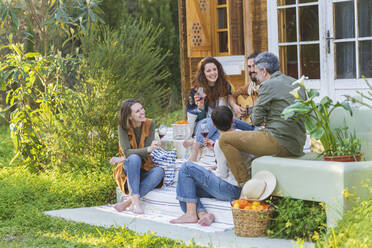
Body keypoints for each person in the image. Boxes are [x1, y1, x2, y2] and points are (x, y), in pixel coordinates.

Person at [219, 52, 307, 187]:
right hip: (298, 143)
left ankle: (244, 185)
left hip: (279, 141)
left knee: (225, 139)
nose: (257, 77)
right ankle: (259, 185)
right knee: (256, 161)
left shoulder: (267, 85)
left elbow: (256, 120)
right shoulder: (295, 83)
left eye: (257, 72)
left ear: (264, 71)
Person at [170, 106, 243, 226]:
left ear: (213, 125)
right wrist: (216, 156)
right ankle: (203, 214)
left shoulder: (221, 143)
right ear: (233, 121)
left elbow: (222, 174)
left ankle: (191, 214)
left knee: (186, 167)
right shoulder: (241, 135)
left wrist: (212, 171)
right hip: (239, 188)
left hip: (228, 189)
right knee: (185, 186)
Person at [185, 57, 254, 161]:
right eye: (208, 70)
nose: (212, 73)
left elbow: (231, 98)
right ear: (203, 73)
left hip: (221, 123)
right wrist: (201, 106)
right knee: (211, 120)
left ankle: (255, 130)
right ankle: (196, 146)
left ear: (218, 70)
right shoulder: (196, 90)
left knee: (230, 127)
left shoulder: (225, 86)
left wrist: (235, 107)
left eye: (214, 69)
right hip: (203, 125)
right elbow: (197, 118)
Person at [110, 98, 164, 214]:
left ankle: (128, 203)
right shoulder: (122, 128)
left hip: (145, 167)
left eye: (142, 108)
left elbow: (147, 151)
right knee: (134, 158)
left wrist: (152, 147)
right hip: (129, 168)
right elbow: (127, 153)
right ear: (130, 116)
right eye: (137, 111)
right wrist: (147, 149)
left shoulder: (150, 123)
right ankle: (136, 204)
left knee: (159, 172)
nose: (142, 112)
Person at [231, 52, 259, 125]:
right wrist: (236, 107)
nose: (252, 70)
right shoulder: (250, 85)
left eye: (254, 66)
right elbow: (232, 96)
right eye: (249, 67)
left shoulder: (269, 86)